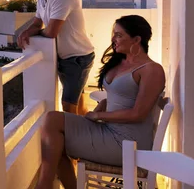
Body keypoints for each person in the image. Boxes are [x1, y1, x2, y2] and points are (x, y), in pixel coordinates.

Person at [34, 15, 165, 189]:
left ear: (136, 39)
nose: (113, 39)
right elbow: (117, 95)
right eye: (114, 34)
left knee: (55, 141)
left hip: (127, 144)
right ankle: (45, 183)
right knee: (52, 125)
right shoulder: (122, 61)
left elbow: (138, 113)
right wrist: (103, 105)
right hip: (109, 130)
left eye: (119, 35)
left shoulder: (152, 70)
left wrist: (98, 115)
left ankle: (44, 184)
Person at [18, 0, 95, 115]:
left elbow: (51, 32)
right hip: (64, 57)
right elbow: (37, 24)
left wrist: (35, 33)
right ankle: (85, 128)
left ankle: (73, 137)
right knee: (76, 99)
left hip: (78, 57)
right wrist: (25, 32)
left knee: (68, 104)